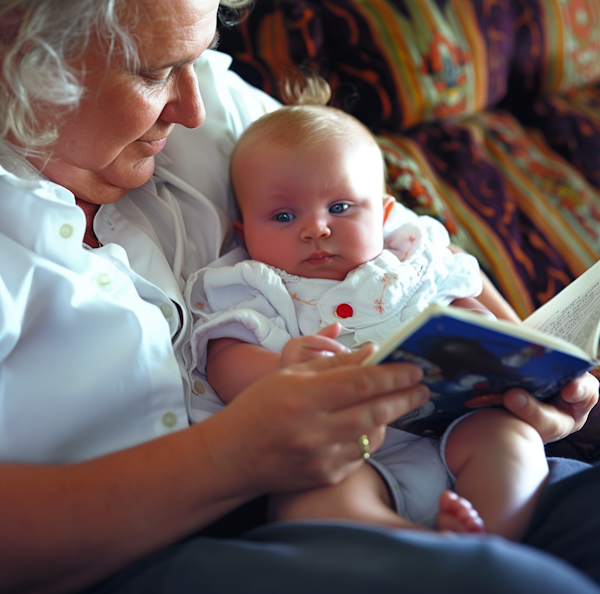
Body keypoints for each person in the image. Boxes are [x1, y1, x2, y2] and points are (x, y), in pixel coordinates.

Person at [0, 0, 599, 594]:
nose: (192, 111)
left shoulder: (198, 100)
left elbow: (390, 224)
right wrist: (230, 455)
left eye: (200, 56)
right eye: (151, 72)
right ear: (18, 41)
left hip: (412, 458)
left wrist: (524, 374)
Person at [186, 98, 547, 539]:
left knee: (513, 442)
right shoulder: (257, 286)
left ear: (386, 213)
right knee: (307, 505)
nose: (316, 228)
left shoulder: (412, 262)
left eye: (340, 208)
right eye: (283, 216)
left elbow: (465, 303)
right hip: (342, 457)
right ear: (245, 233)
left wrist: (484, 331)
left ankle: (491, 538)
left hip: (456, 427)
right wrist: (282, 370)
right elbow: (224, 361)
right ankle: (415, 548)